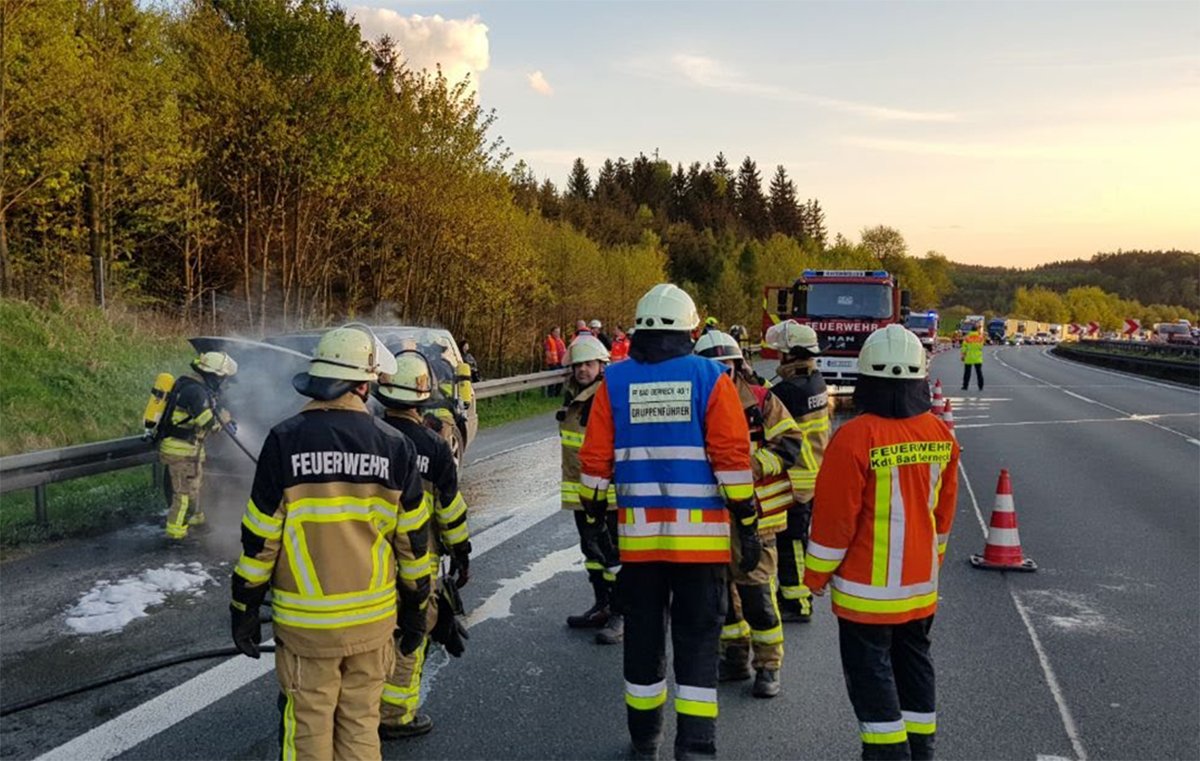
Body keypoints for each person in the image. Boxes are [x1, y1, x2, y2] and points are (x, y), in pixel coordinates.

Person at [229, 324, 432, 761]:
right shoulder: (395, 445)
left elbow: (259, 539)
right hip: (373, 625)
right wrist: (417, 609)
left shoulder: (285, 439)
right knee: (360, 727)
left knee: (307, 730)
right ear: (364, 384)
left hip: (307, 630)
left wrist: (244, 606)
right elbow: (413, 544)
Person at [578, 283, 758, 760]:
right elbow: (732, 459)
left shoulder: (614, 382)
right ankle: (695, 747)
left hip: (638, 547)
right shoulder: (710, 378)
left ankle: (645, 738)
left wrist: (595, 518)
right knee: (698, 643)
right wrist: (748, 520)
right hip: (701, 549)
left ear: (638, 329)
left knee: (642, 641)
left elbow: (594, 461)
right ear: (691, 329)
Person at [804, 324, 959, 761]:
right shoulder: (940, 434)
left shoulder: (854, 437)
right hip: (919, 588)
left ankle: (887, 755)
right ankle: (920, 751)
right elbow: (943, 516)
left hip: (866, 594)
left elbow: (835, 521)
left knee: (872, 681)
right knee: (915, 668)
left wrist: (814, 577)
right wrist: (933, 562)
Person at [695, 330, 803, 700]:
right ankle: (735, 658)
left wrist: (752, 467)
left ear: (739, 364)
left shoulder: (760, 399)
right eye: (715, 365)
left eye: (728, 364)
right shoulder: (694, 402)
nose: (723, 371)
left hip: (758, 519)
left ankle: (768, 666)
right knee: (721, 597)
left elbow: (790, 441)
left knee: (756, 595)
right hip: (710, 518)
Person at [375, 350, 472, 739]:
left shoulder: (369, 438)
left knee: (375, 633)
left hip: (370, 559)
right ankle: (396, 714)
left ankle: (359, 704)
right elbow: (450, 510)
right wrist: (462, 553)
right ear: (424, 395)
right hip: (419, 557)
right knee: (412, 632)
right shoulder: (434, 447)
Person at [763, 320, 831, 623]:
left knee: (792, 542)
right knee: (797, 539)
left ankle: (798, 601)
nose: (779, 358)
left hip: (797, 481)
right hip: (813, 474)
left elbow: (768, 403)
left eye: (782, 353)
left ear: (792, 355)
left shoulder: (789, 390)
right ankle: (794, 593)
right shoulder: (815, 380)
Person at [557, 334, 622, 644]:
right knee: (592, 553)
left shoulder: (605, 396)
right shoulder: (573, 395)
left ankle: (621, 614)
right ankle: (602, 606)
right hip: (582, 492)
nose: (583, 369)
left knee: (613, 556)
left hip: (606, 495)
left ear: (602, 365)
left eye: (589, 364)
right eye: (578, 365)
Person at [158, 351, 238, 541]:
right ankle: (175, 536)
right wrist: (225, 423)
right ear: (214, 375)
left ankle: (196, 521)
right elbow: (208, 423)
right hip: (180, 451)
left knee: (194, 489)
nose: (224, 382)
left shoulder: (196, 388)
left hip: (190, 450)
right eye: (222, 378)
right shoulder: (196, 392)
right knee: (183, 495)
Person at [545, 326, 567, 396]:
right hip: (553, 363)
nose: (558, 333)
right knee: (553, 379)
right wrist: (552, 361)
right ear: (552, 332)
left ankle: (557, 394)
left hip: (561, 362)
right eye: (556, 332)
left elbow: (564, 351)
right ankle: (550, 394)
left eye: (558, 332)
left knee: (561, 379)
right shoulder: (549, 340)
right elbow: (547, 352)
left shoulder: (560, 340)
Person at [961, 326, 984, 391]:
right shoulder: (980, 338)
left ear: (971, 330)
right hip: (978, 358)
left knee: (967, 373)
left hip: (969, 357)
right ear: (977, 330)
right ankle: (980, 386)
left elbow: (964, 348)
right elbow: (981, 347)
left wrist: (963, 356)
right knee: (979, 373)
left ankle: (965, 386)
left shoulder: (967, 338)